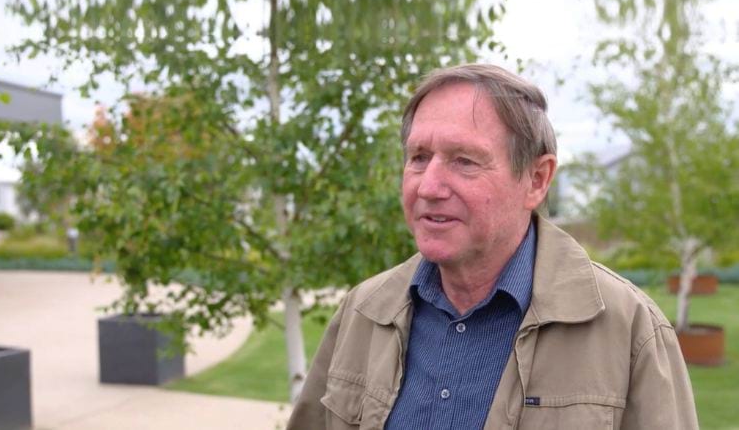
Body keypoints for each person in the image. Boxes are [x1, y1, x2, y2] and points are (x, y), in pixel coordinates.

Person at [287, 64, 698, 430]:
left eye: (464, 160)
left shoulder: (631, 331)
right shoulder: (363, 312)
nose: (428, 186)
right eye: (418, 157)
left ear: (537, 179)